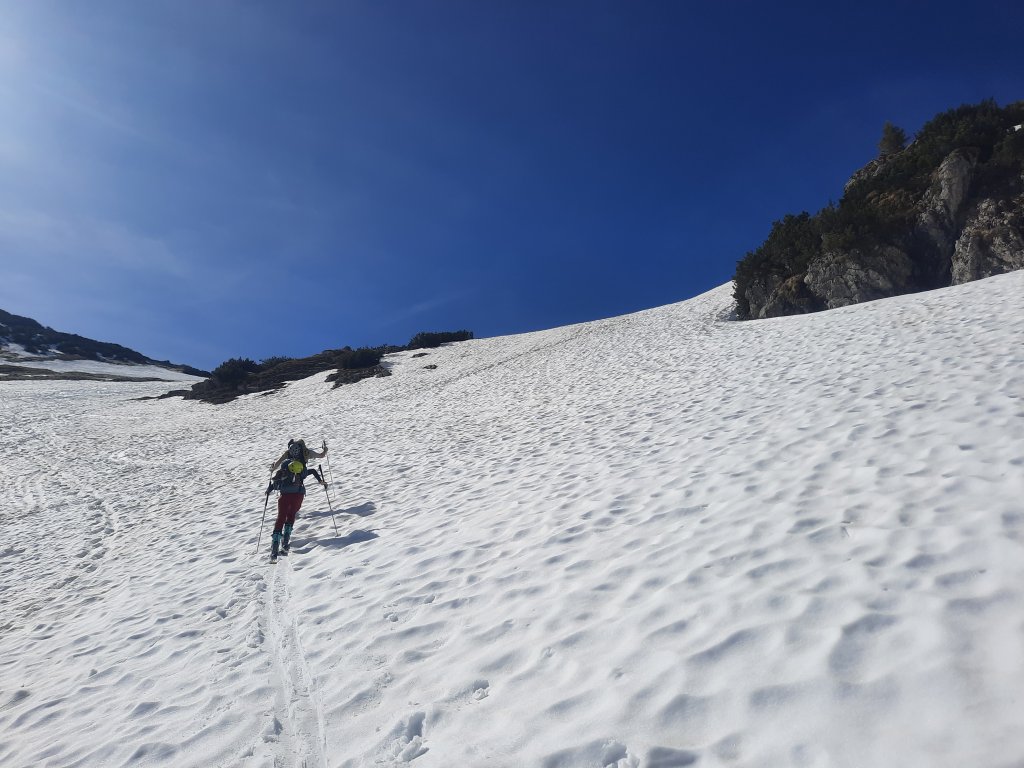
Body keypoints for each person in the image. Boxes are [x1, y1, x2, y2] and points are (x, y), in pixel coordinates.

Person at [265, 440, 327, 562]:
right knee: (291, 515)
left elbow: (276, 483)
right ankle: (286, 542)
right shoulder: (301, 468)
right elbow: (313, 471)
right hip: (298, 495)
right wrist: (320, 481)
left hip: (284, 496)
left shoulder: (284, 466)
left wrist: (269, 489)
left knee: (281, 518)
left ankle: (275, 548)